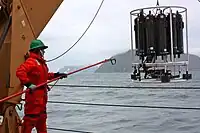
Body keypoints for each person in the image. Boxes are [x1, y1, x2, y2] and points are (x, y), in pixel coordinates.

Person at [16, 39, 67, 133]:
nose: (44, 52)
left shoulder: (41, 63)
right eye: (43, 50)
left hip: (42, 98)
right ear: (38, 50)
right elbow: (20, 72)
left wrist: (57, 75)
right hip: (34, 97)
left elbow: (45, 76)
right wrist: (28, 84)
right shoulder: (31, 62)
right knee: (30, 121)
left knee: (42, 120)